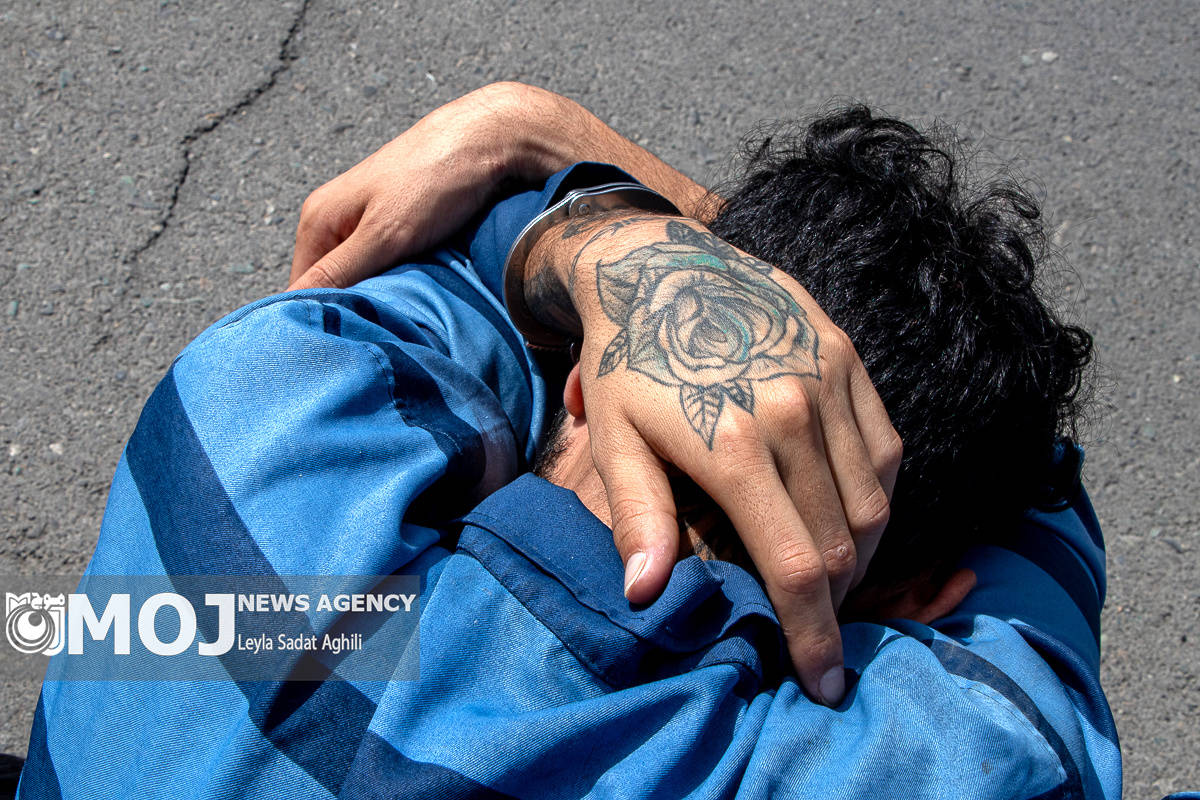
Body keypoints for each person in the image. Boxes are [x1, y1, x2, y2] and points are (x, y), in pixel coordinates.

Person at [18, 83, 1120, 799]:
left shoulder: (269, 393)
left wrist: (545, 147)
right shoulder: (943, 762)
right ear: (920, 598)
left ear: (584, 375)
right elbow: (1044, 497)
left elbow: (492, 249)